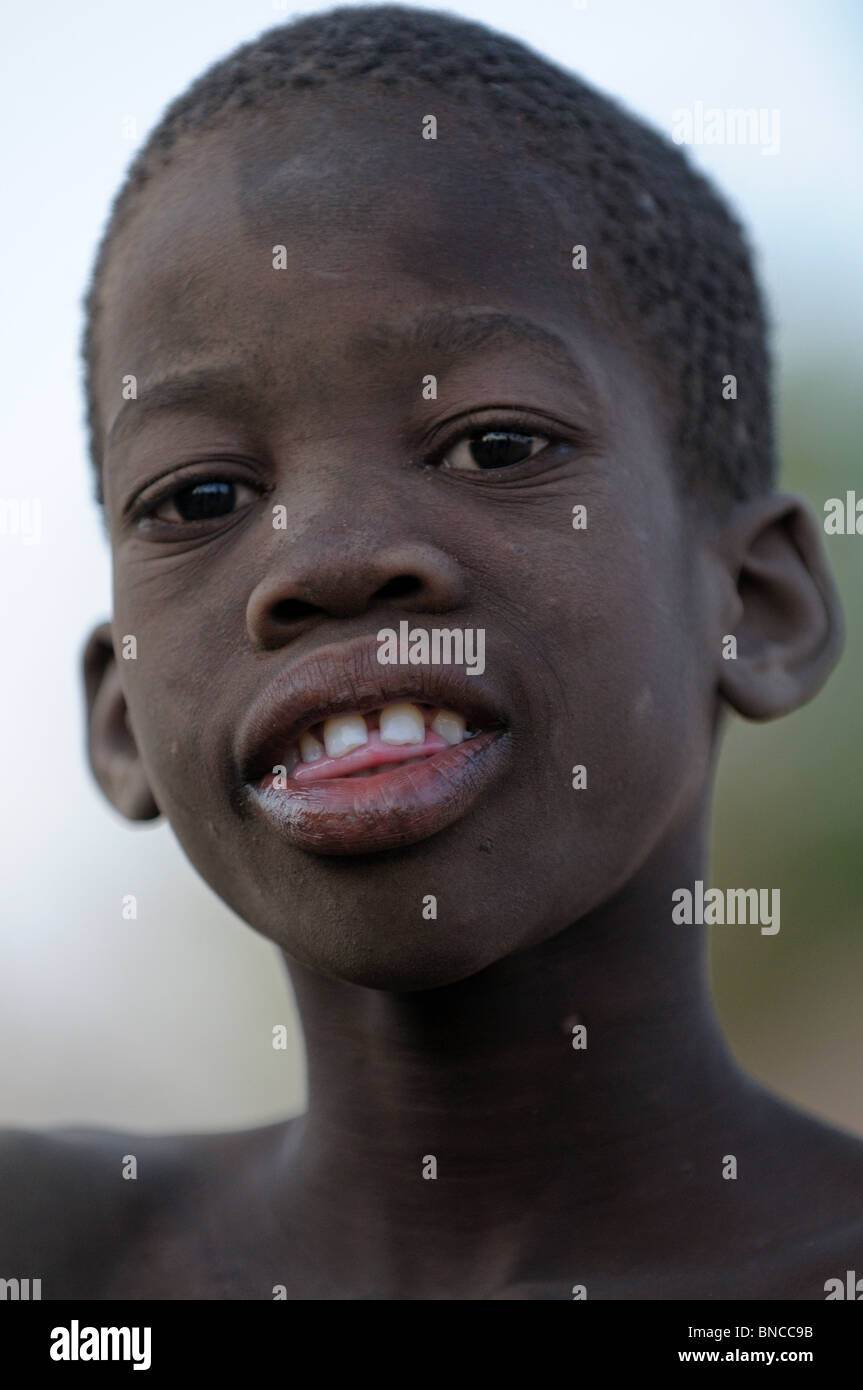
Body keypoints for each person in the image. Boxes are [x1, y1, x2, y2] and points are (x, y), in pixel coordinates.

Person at [2, 4, 860, 1300]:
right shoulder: (49, 1258)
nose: (328, 559)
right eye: (200, 498)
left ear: (759, 604)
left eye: (496, 444)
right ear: (121, 717)